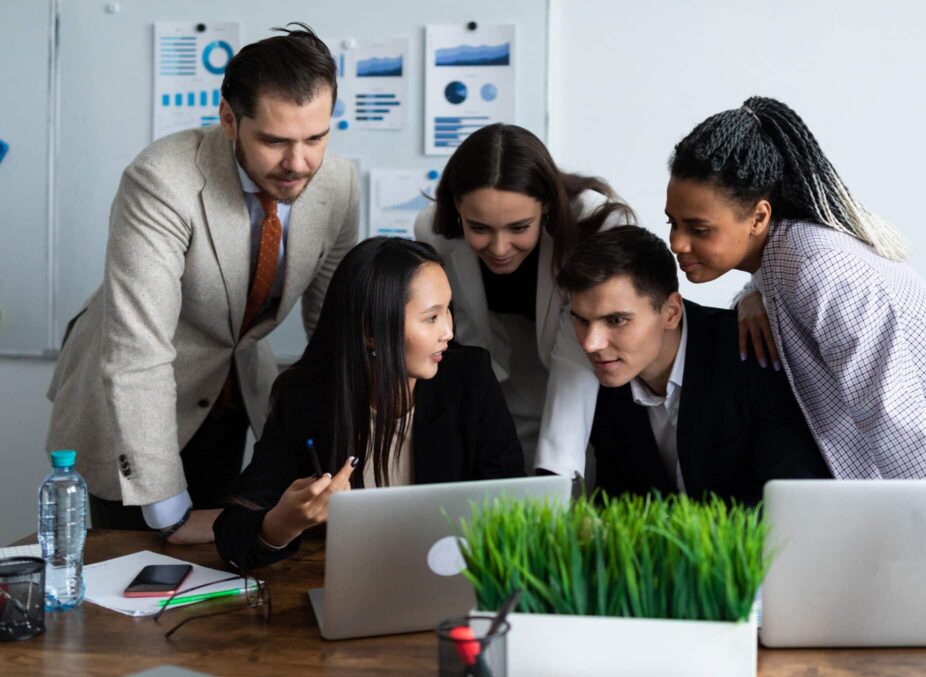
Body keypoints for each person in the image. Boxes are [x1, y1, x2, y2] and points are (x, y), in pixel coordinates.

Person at [45, 24, 361, 541]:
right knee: (137, 572)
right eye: (275, 141)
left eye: (316, 138)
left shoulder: (339, 183)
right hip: (131, 405)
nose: (299, 163)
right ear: (229, 119)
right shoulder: (161, 180)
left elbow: (334, 329)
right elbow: (138, 349)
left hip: (234, 395)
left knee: (224, 574)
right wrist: (166, 508)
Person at [666, 95, 926, 509]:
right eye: (672, 222)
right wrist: (752, 294)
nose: (677, 243)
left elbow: (894, 421)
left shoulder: (822, 270)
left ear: (759, 217)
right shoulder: (787, 256)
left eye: (699, 228)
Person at [214, 238, 525, 570]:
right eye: (431, 317)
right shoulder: (304, 400)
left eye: (448, 309)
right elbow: (233, 533)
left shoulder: (469, 378)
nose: (448, 331)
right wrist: (284, 522)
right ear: (370, 330)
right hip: (350, 584)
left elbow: (512, 505)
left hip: (453, 579)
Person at [414, 123, 633, 471]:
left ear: (546, 204)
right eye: (480, 228)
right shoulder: (434, 231)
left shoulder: (595, 225)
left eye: (519, 227)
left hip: (592, 369)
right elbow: (469, 341)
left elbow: (579, 357)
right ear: (458, 207)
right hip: (504, 365)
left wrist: (554, 473)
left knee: (575, 475)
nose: (499, 249)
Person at [557, 226, 830, 504]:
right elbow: (618, 508)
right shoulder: (602, 381)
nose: (591, 344)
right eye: (581, 320)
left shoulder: (752, 355)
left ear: (671, 313)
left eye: (616, 320)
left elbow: (793, 500)